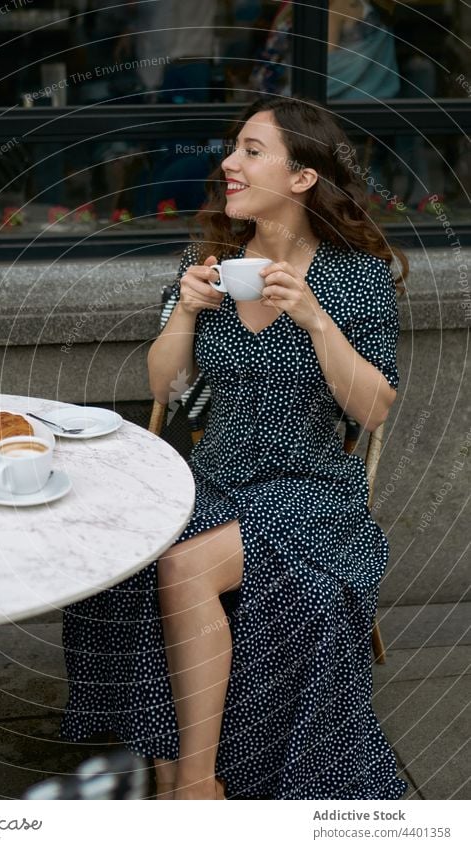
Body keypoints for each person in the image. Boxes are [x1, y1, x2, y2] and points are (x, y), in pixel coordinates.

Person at [61, 95, 409, 800]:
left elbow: (372, 409)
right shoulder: (210, 264)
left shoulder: (354, 276)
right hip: (213, 476)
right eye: (234, 149)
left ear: (303, 176)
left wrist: (313, 317)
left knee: (184, 565)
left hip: (309, 487)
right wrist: (185, 311)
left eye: (252, 150)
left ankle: (194, 784)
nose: (229, 163)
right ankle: (167, 769)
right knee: (122, 562)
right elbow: (165, 383)